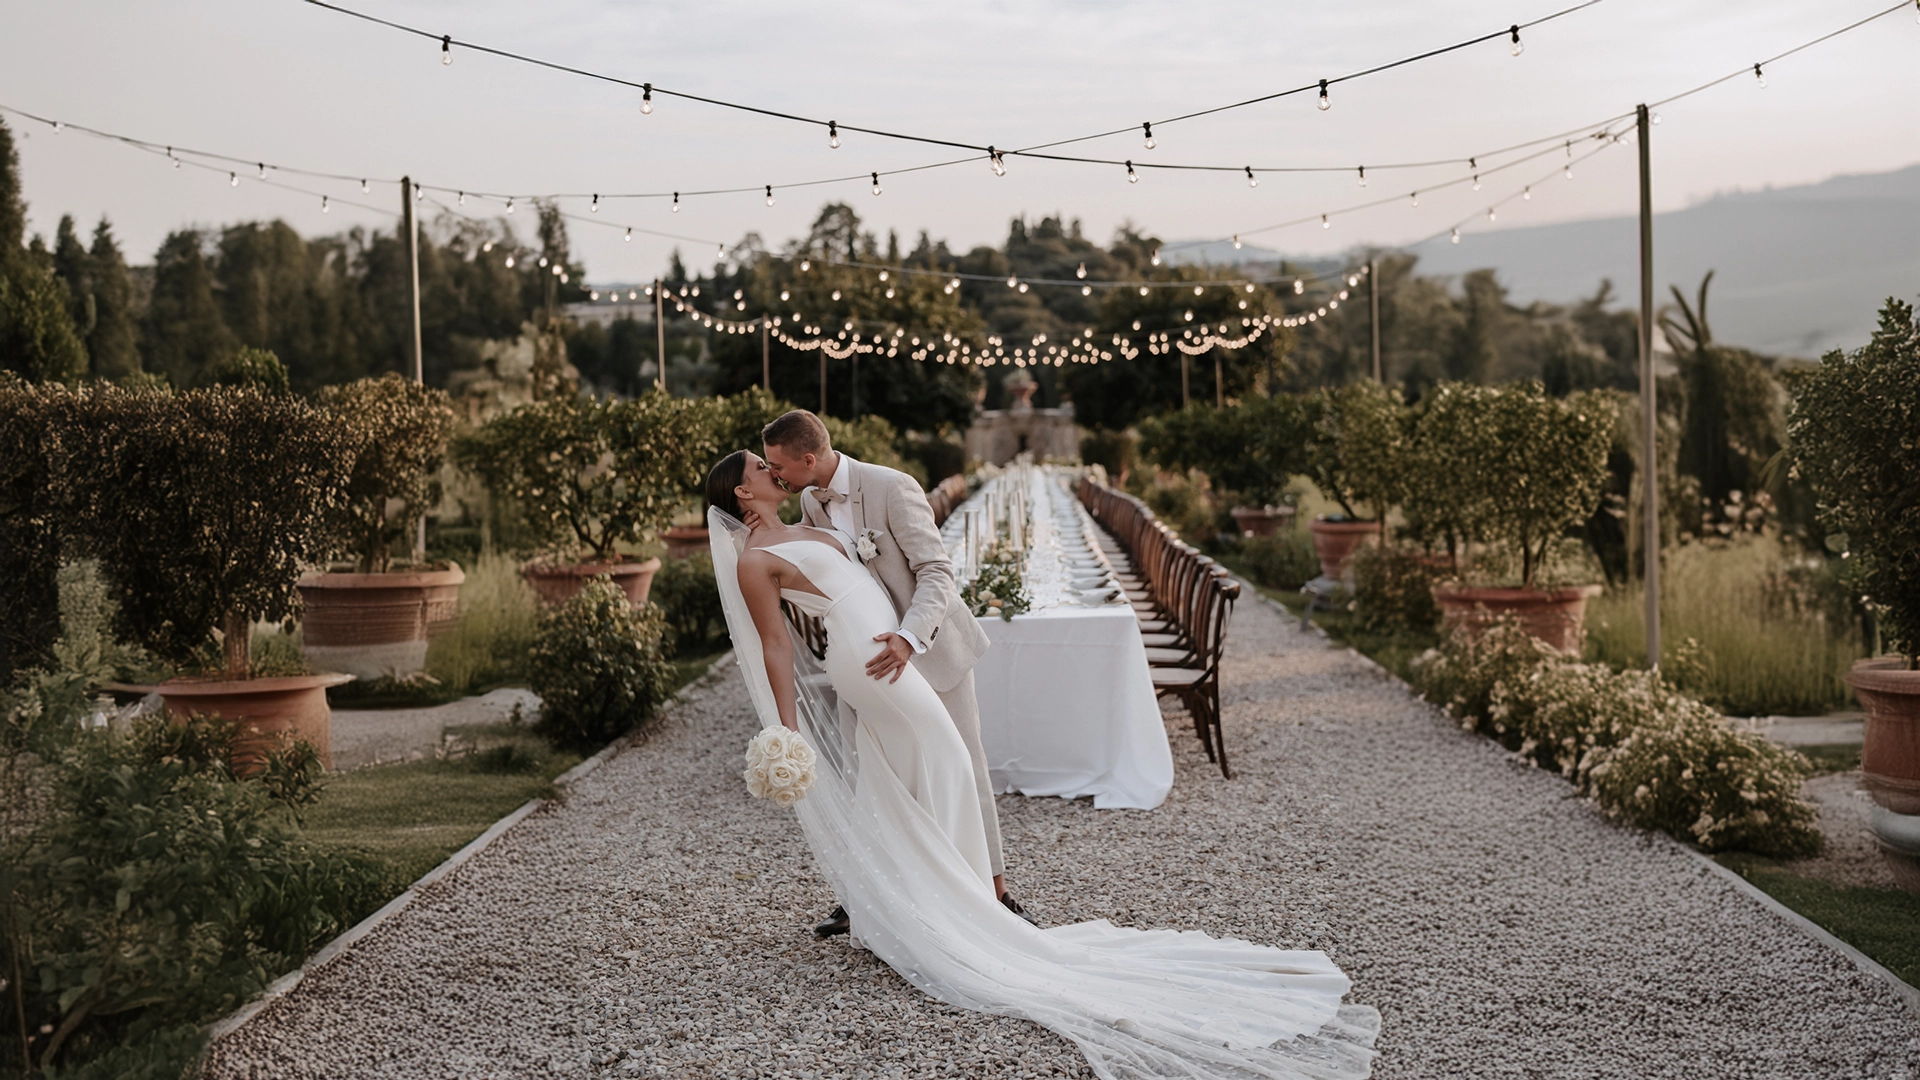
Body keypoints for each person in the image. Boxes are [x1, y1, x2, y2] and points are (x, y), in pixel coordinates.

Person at [705, 449, 1380, 1079]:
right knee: (941, 760)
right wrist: (785, 732)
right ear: (744, 491)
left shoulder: (803, 520)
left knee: (914, 769)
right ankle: (956, 915)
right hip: (867, 660)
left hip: (889, 648)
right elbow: (776, 647)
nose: (775, 472)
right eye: (763, 469)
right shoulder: (753, 559)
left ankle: (915, 907)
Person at [754, 409, 1029, 935]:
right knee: (870, 775)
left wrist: (908, 637)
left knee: (963, 764)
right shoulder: (811, 501)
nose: (776, 475)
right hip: (865, 664)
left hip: (928, 649)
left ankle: (995, 893)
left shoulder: (892, 487)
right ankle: (869, 897)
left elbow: (937, 572)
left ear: (808, 458)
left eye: (778, 464)